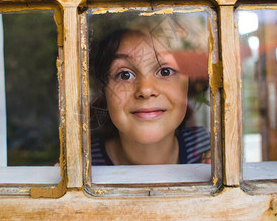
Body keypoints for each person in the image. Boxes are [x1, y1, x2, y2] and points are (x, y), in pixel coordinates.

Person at [90, 27, 210, 165]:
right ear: (103, 90)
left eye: (165, 72)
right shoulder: (84, 165)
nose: (145, 90)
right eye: (124, 75)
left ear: (190, 83)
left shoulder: (206, 150)